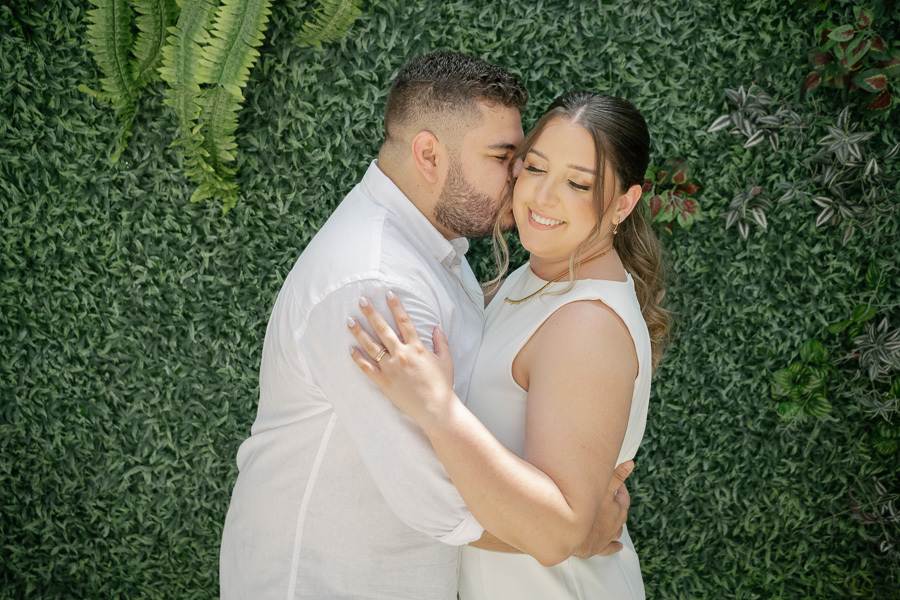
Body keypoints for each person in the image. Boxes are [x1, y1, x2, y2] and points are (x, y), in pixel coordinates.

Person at [219, 54, 632, 600]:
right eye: (503, 156)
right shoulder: (374, 284)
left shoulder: (435, 247)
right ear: (430, 155)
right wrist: (576, 533)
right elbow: (439, 497)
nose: (519, 177)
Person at [348, 91, 669, 599]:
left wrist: (438, 410)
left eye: (578, 183)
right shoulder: (533, 278)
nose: (543, 198)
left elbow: (554, 531)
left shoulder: (586, 323)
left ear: (624, 203)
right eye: (535, 169)